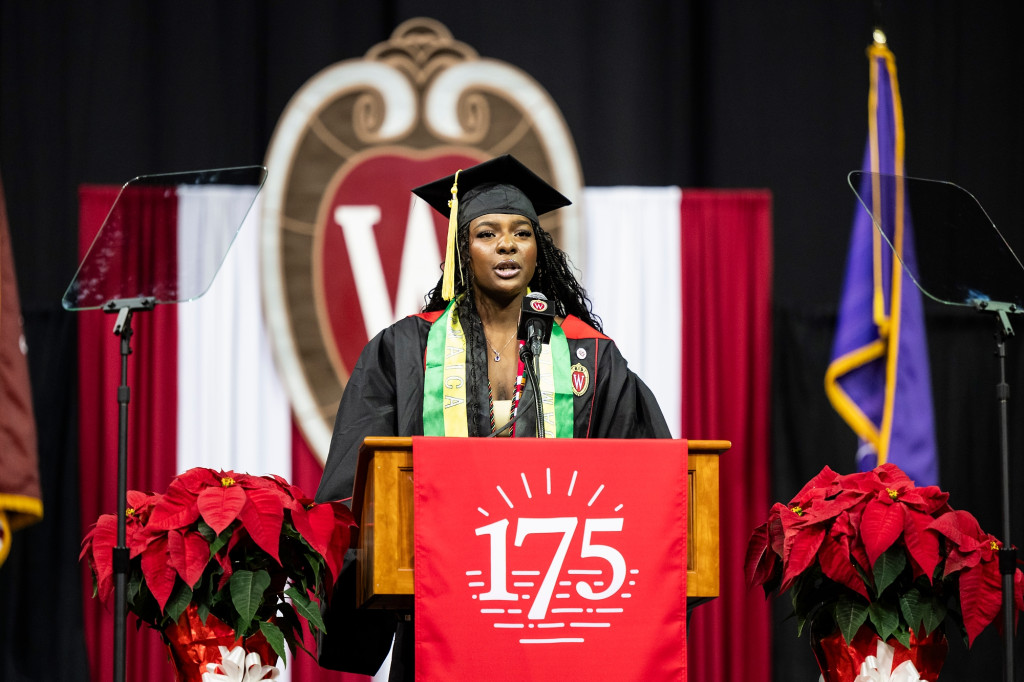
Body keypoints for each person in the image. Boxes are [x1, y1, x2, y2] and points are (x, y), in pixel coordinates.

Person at [314, 154, 670, 679]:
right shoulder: (405, 350)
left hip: (559, 608)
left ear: (537, 248)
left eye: (521, 233)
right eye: (487, 233)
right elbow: (357, 488)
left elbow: (644, 479)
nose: (507, 244)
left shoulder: (590, 356)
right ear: (463, 248)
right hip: (440, 603)